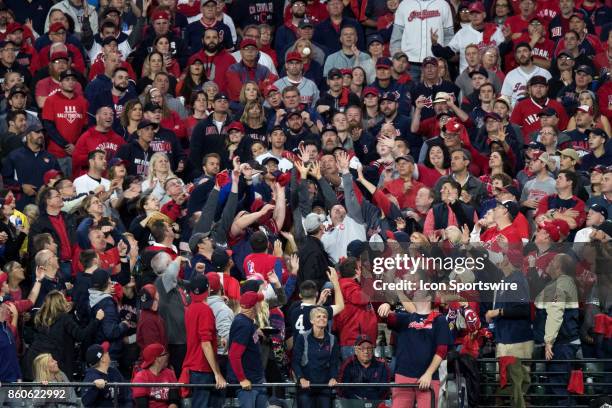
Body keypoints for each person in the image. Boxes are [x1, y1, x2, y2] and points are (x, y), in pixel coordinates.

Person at [378, 290, 452, 408]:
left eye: (419, 292)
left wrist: (428, 374)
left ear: (428, 298)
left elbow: (442, 350)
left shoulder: (439, 320)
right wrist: (386, 306)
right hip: (403, 377)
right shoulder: (405, 319)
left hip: (428, 379)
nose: (414, 294)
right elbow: (387, 317)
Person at [534, 253, 580, 406]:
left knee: (559, 390)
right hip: (560, 345)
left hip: (560, 346)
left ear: (559, 267)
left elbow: (555, 312)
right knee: (556, 390)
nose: (549, 262)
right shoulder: (559, 283)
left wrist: (549, 341)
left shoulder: (561, 284)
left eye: (553, 260)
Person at [180, 273, 227, 407]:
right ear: (208, 289)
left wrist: (216, 340)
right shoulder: (205, 310)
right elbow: (205, 343)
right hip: (203, 369)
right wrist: (217, 373)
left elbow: (199, 337)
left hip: (195, 367)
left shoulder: (190, 309)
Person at [292, 306, 341, 408]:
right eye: (318, 316)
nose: (322, 319)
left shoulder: (333, 339)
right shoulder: (302, 338)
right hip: (306, 386)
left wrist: (333, 377)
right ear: (311, 320)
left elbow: (334, 363)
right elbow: (295, 362)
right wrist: (301, 378)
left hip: (324, 386)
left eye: (324, 317)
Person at [227, 291, 268, 408]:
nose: (261, 305)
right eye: (259, 303)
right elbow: (234, 355)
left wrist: (256, 332)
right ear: (254, 307)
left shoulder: (247, 322)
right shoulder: (243, 324)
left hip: (256, 379)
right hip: (248, 382)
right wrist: (242, 379)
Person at [337, 334, 392, 403]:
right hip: (353, 404)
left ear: (373, 350)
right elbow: (342, 388)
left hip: (376, 403)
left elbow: (385, 389)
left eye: (369, 348)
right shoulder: (348, 365)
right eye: (362, 348)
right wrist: (357, 401)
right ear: (356, 350)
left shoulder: (382, 365)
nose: (366, 352)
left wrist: (372, 401)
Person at [81, 342, 132, 407]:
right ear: (102, 359)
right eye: (106, 352)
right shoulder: (91, 377)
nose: (108, 353)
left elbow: (127, 395)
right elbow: (86, 401)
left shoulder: (114, 372)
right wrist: (94, 387)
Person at [132, 343, 180, 408]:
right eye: (165, 354)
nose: (167, 356)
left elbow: (174, 400)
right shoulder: (141, 377)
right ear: (157, 359)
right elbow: (142, 405)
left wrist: (173, 405)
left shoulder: (169, 373)